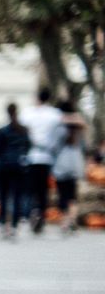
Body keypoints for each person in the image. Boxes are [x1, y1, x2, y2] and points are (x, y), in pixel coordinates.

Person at [20, 88, 64, 234]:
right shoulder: (54, 115)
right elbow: (61, 130)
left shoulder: (27, 113)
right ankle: (42, 215)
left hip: (31, 156)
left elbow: (22, 129)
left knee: (31, 189)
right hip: (47, 156)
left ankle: (32, 211)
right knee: (43, 190)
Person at [0, 103, 31, 239]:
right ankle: (14, 225)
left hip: (4, 166)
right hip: (19, 166)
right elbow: (28, 147)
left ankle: (3, 224)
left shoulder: (3, 131)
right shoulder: (24, 130)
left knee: (4, 196)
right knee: (17, 196)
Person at [52, 100, 88, 234]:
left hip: (62, 161)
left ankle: (65, 221)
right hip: (75, 161)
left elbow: (54, 145)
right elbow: (84, 145)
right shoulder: (79, 127)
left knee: (62, 193)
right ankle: (71, 219)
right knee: (73, 194)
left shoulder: (60, 126)